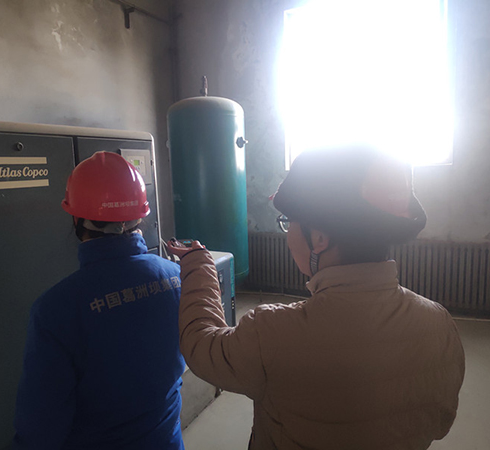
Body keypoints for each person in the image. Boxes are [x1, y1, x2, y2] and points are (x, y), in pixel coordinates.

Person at [167, 146, 465, 450]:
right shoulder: (438, 323)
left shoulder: (272, 332)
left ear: (319, 237)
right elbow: (441, 422)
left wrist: (199, 263)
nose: (287, 234)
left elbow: (202, 346)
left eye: (288, 221)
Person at [13, 152, 185, 450]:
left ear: (76, 218)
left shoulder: (55, 310)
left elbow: (40, 428)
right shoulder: (176, 276)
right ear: (140, 215)